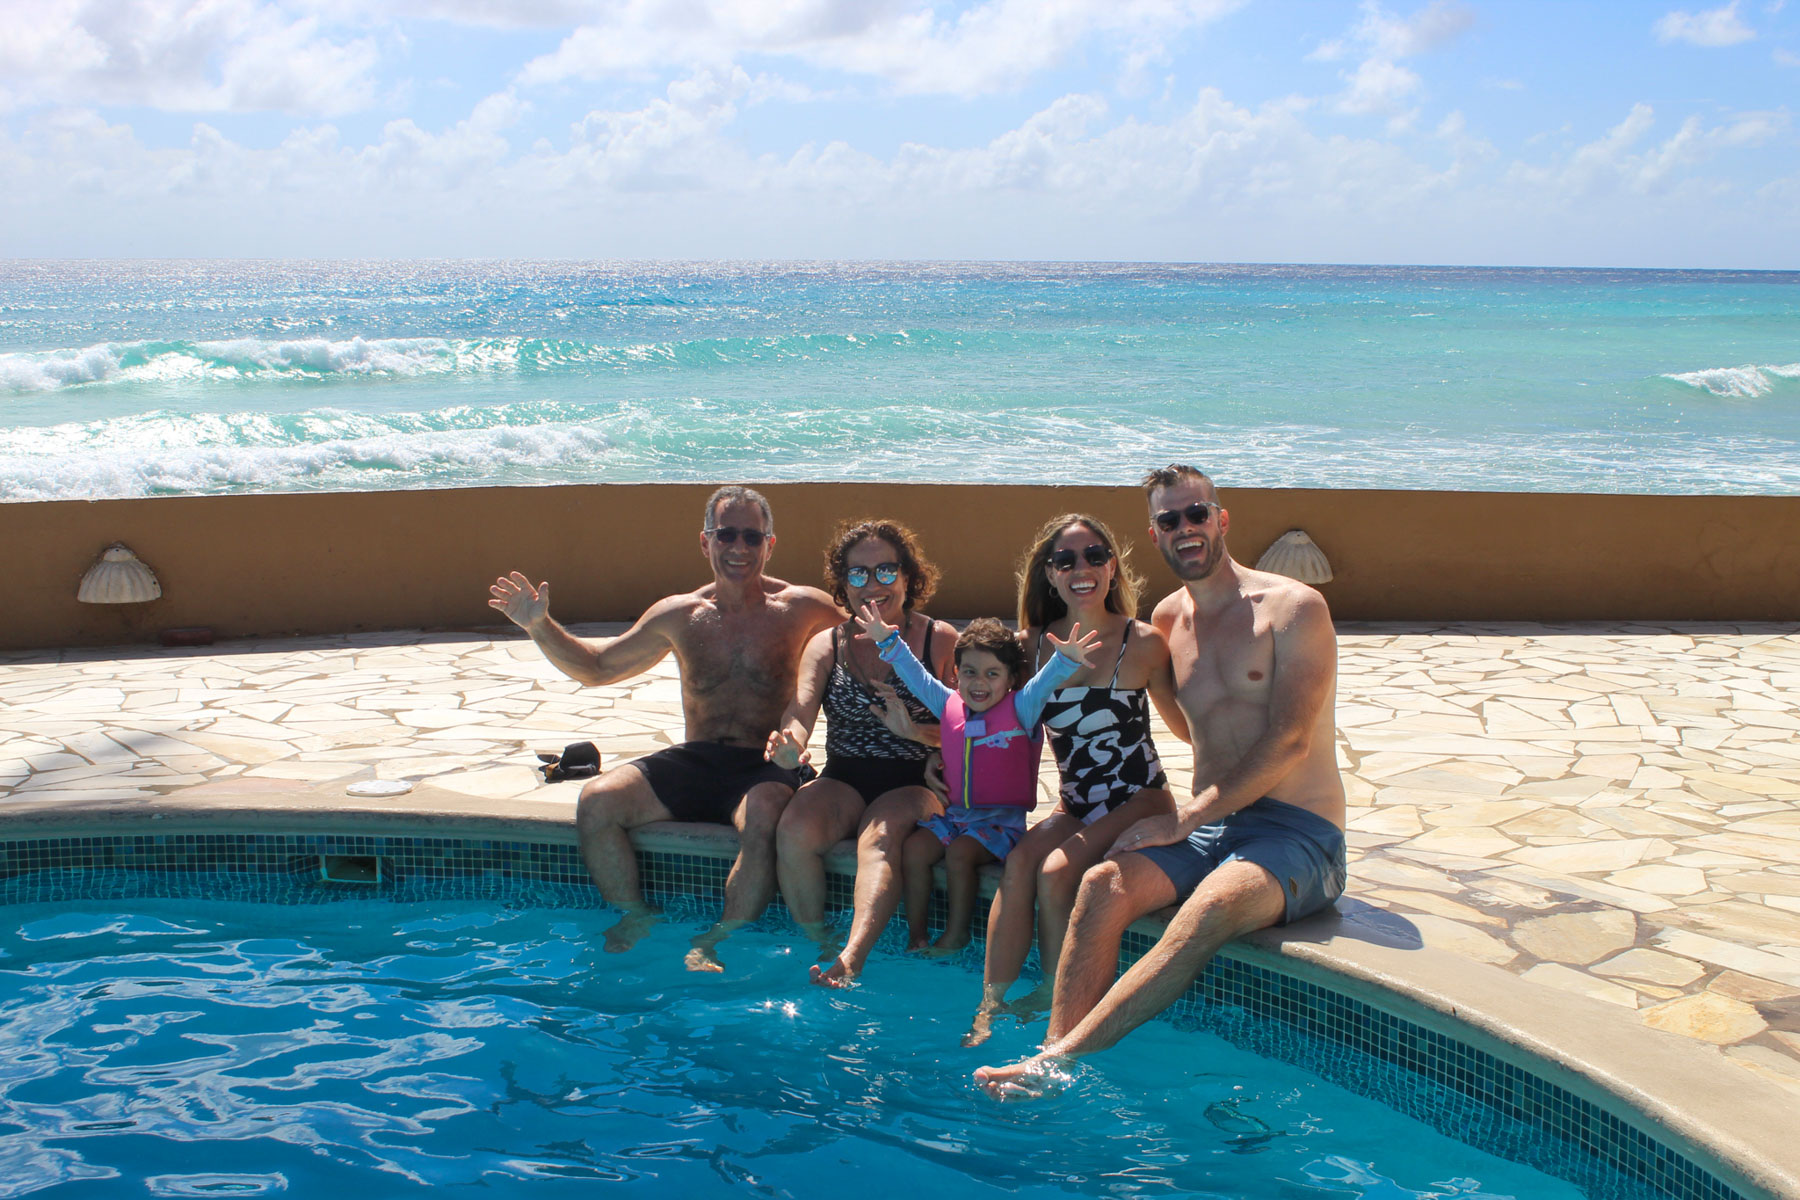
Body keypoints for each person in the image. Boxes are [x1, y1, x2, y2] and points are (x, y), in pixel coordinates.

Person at [976, 464, 1347, 1096]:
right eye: (1170, 519)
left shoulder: (1293, 608)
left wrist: (1182, 816)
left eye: (1197, 513)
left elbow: (1289, 740)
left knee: (1208, 909)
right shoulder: (1168, 622)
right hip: (1216, 828)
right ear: (1154, 536)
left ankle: (1058, 1060)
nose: (1186, 528)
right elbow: (1176, 723)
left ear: (1221, 520)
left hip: (1297, 833)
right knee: (1100, 885)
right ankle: (1046, 1058)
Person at [488, 485, 840, 969]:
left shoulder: (803, 609)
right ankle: (635, 914)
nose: (739, 548)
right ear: (705, 541)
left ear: (770, 544)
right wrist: (539, 626)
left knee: (763, 819)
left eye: (752, 538)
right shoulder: (680, 614)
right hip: (696, 760)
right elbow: (598, 667)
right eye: (727, 535)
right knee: (597, 801)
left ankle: (717, 937)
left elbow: (865, 655)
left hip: (765, 764)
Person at [963, 513, 1182, 1046]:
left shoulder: (1144, 642)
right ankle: (990, 1002)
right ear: (1050, 574)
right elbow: (989, 720)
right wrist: (929, 749)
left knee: (1056, 872)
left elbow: (1187, 725)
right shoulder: (1029, 647)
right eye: (1065, 560)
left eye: (1094, 556)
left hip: (1141, 798)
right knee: (1019, 863)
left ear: (1112, 569)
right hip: (1078, 803)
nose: (1081, 568)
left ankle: (1059, 1000)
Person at [858, 605, 1101, 959]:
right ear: (956, 674)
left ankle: (956, 935)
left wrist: (1064, 661)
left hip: (1001, 824)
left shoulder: (1022, 709)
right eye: (970, 672)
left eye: (992, 674)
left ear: (1010, 680)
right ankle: (918, 934)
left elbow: (1043, 684)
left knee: (959, 855)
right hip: (957, 817)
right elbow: (916, 676)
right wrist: (889, 642)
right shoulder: (949, 704)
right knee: (913, 850)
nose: (979, 683)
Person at [765, 519, 959, 958]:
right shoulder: (827, 644)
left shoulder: (939, 641)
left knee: (880, 837)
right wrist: (790, 745)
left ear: (909, 578)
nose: (873, 584)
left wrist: (915, 733)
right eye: (858, 574)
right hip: (844, 776)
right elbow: (800, 708)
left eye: (886, 571)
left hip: (915, 782)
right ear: (843, 584)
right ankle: (818, 945)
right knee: (793, 829)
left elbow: (973, 731)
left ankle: (852, 956)